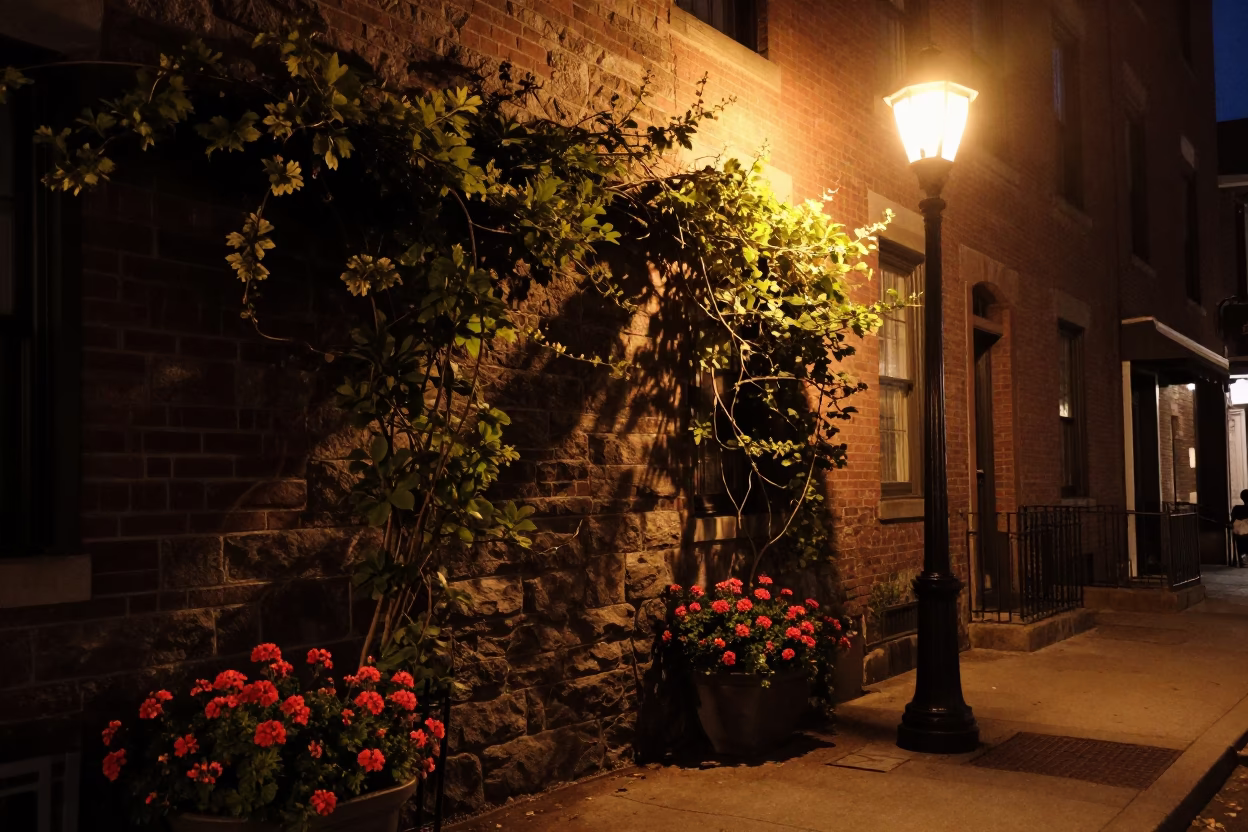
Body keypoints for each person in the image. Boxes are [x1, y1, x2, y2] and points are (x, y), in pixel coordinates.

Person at [1232, 490, 1248, 567]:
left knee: (1241, 546)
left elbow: (1233, 520)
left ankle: (1243, 560)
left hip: (1240, 532)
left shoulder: (1236, 508)